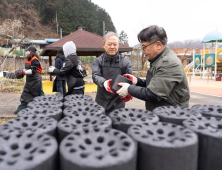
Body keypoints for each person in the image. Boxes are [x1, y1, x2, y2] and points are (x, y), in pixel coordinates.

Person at [117, 25, 190, 111]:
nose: (143, 51)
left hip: (173, 115)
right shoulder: (158, 60)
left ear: (158, 45)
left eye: (144, 47)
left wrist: (129, 89)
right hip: (164, 111)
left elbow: (153, 94)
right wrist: (137, 81)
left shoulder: (168, 63)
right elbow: (155, 84)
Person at [92, 31, 133, 114]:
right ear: (104, 45)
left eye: (115, 44)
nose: (112, 47)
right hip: (101, 102)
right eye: (109, 44)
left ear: (118, 45)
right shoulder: (98, 61)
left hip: (118, 102)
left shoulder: (125, 63)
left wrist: (129, 90)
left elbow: (129, 79)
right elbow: (95, 75)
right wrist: (104, 82)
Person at [14, 46, 44, 114]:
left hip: (36, 80)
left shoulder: (34, 59)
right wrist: (22, 71)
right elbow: (28, 69)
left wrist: (23, 72)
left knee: (37, 94)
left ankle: (44, 108)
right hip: (30, 79)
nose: (26, 52)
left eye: (28, 51)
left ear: (31, 51)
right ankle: (21, 109)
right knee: (26, 93)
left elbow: (33, 71)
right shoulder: (28, 59)